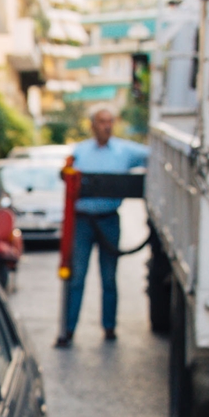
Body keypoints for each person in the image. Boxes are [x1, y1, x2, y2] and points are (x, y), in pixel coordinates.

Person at [56, 107, 149, 346]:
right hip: (83, 221)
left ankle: (109, 327)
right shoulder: (80, 151)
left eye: (110, 121)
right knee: (76, 277)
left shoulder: (125, 151)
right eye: (101, 122)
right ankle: (68, 329)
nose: (106, 126)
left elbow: (154, 155)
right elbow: (67, 176)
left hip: (108, 219)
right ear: (92, 125)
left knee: (109, 277)